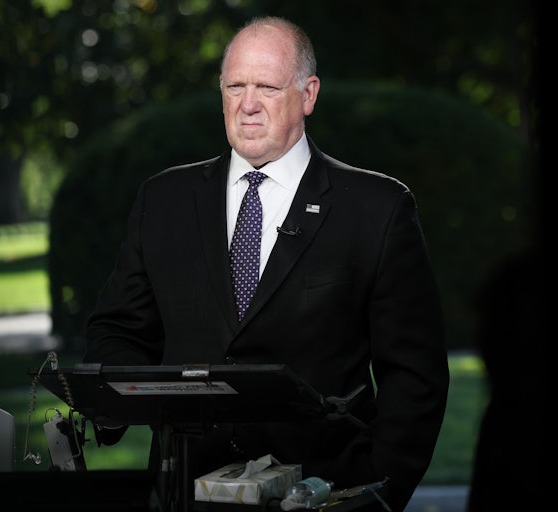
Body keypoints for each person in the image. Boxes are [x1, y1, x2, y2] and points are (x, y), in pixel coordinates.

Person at [83, 16, 449, 512]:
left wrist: (370, 489)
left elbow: (415, 375)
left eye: (267, 87)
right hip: (187, 491)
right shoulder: (163, 199)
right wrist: (118, 404)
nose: (247, 104)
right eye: (234, 86)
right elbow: (120, 330)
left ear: (308, 94)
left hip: (325, 492)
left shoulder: (377, 208)